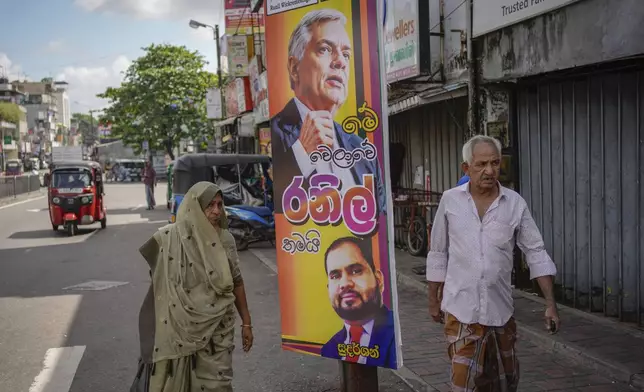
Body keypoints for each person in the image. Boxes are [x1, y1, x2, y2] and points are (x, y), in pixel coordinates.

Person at [426, 135, 560, 392]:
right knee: (463, 383)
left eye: (495, 163)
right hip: (461, 310)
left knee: (503, 383)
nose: (489, 170)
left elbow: (536, 252)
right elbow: (438, 252)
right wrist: (433, 298)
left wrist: (550, 305)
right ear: (466, 168)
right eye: (481, 164)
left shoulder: (515, 204)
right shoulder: (450, 201)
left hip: (500, 312)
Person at [130, 182, 253, 392]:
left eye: (219, 204)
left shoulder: (226, 240)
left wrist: (247, 323)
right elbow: (160, 286)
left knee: (218, 384)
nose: (216, 211)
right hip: (179, 330)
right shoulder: (168, 239)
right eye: (210, 205)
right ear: (194, 207)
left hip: (218, 331)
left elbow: (237, 281)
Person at [270, 9, 386, 214]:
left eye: (346, 54)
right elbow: (275, 210)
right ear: (294, 68)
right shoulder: (276, 134)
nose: (340, 61)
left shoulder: (364, 152)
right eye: (325, 49)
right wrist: (302, 153)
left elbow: (380, 218)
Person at [320, 236, 396, 368]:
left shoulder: (396, 338)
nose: (344, 283)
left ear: (378, 280)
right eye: (335, 276)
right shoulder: (329, 348)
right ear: (328, 288)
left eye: (355, 271)